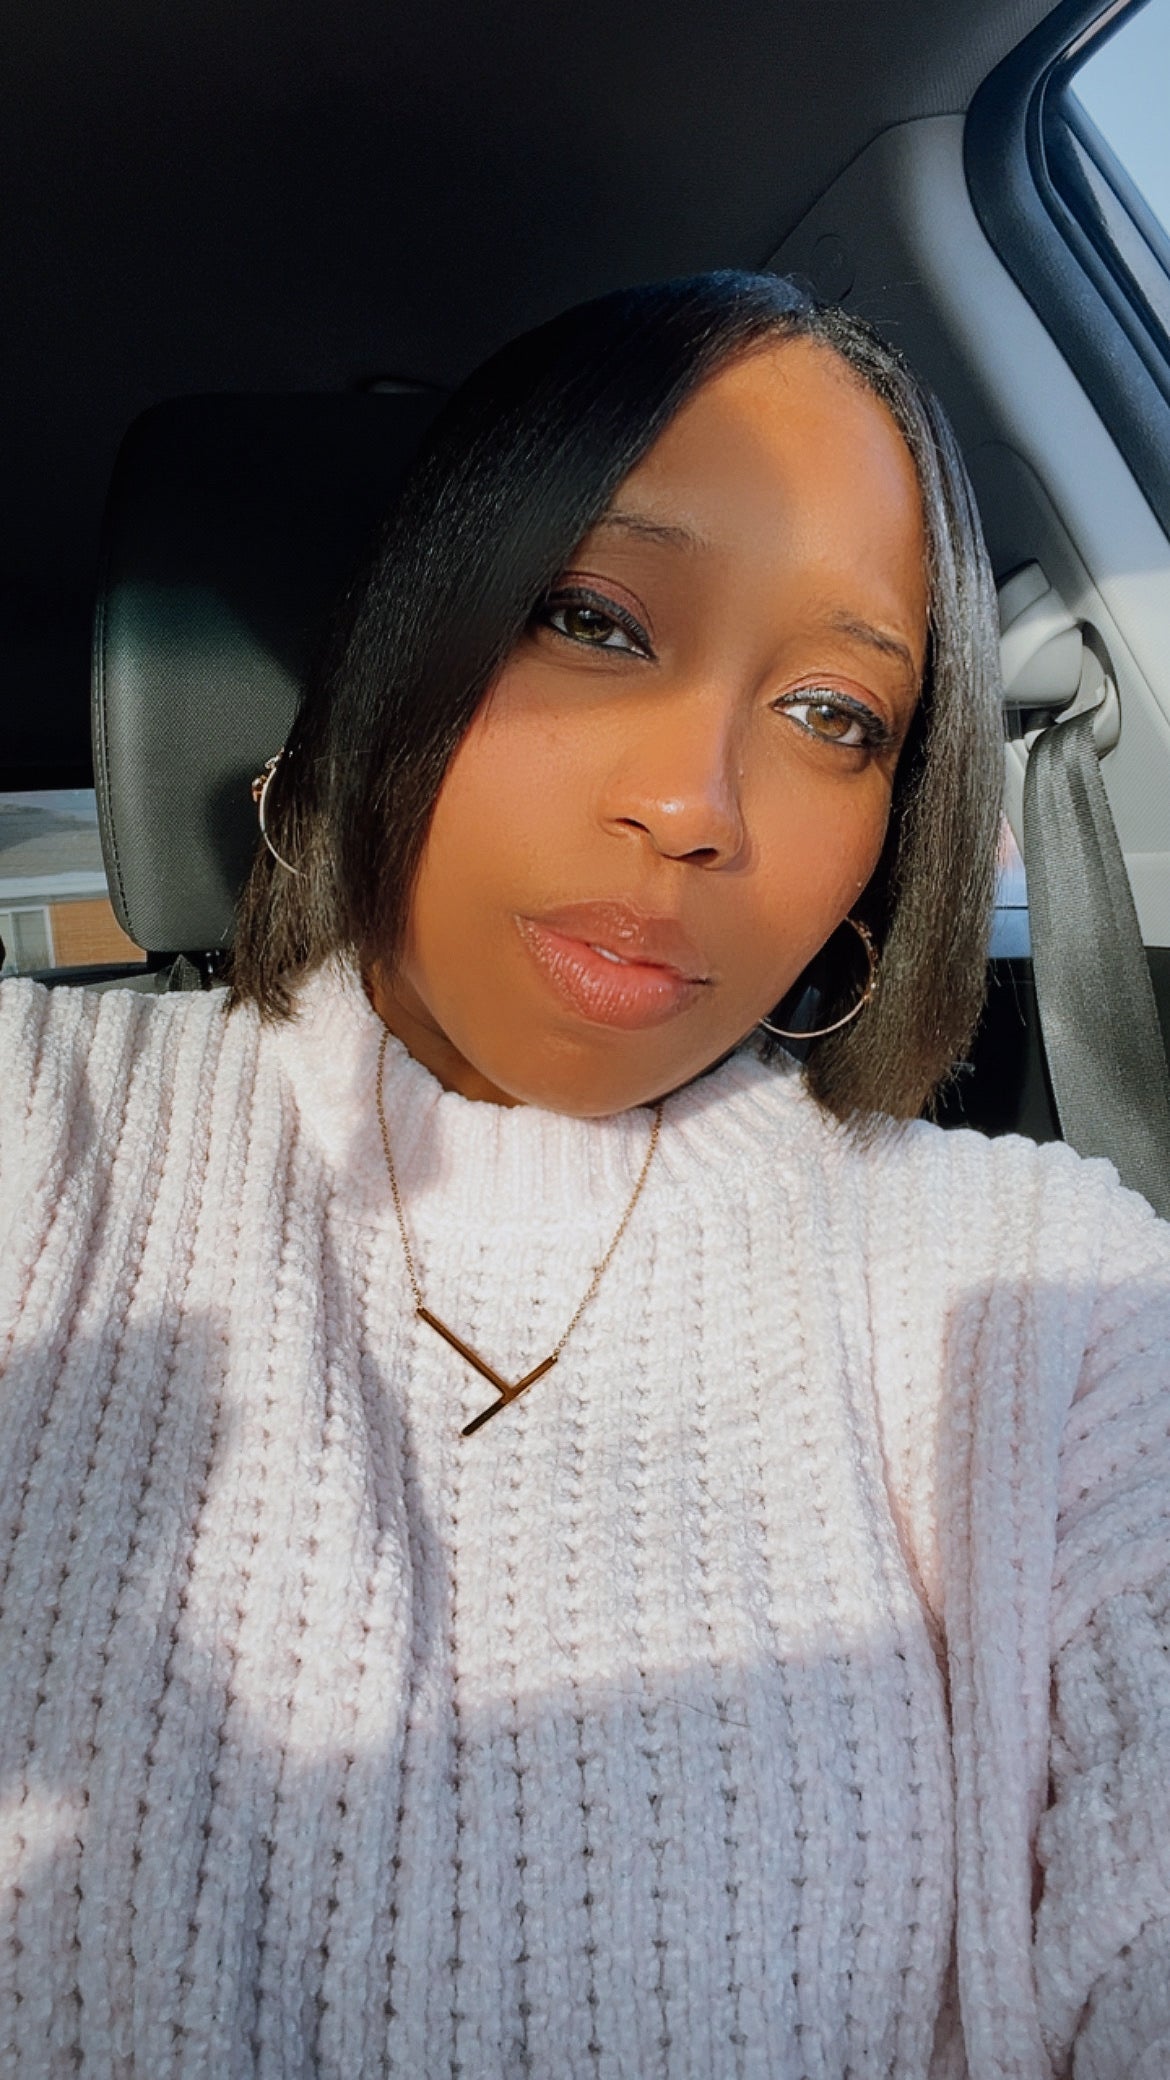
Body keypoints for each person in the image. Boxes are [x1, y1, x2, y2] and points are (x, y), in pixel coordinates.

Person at [1, 271, 1168, 2080]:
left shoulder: (1041, 1302)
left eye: (834, 715)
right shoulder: (41, 1140)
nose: (695, 805)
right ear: (408, 635)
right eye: (595, 620)